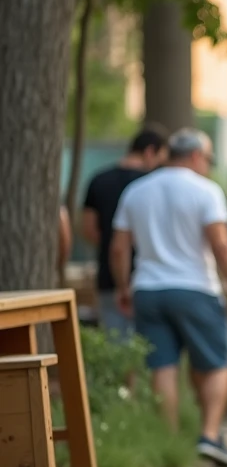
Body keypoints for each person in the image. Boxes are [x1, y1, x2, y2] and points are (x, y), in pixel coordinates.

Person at [109, 129, 227, 467]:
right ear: (195, 156)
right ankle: (209, 434)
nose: (209, 166)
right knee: (217, 362)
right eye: (208, 159)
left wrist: (123, 287)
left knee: (163, 366)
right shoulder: (206, 191)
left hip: (148, 289)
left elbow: (118, 248)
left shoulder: (136, 190)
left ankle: (170, 442)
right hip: (195, 289)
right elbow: (221, 245)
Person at [81, 126, 169, 338]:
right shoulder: (153, 186)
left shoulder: (98, 180)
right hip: (151, 277)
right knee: (150, 347)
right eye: (160, 159)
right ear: (150, 152)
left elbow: (88, 229)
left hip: (108, 275)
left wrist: (109, 244)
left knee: (116, 346)